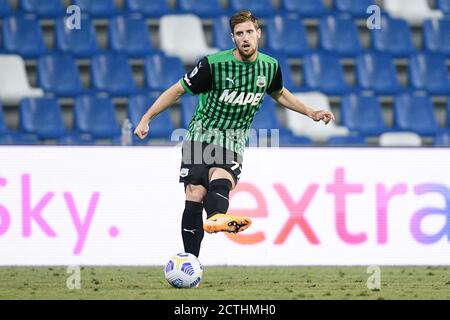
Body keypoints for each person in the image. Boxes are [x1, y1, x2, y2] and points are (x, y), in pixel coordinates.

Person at [134, 10, 335, 257]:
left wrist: (311, 112)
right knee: (194, 194)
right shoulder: (213, 65)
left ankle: (217, 217)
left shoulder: (270, 67)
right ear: (233, 38)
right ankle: (192, 260)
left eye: (249, 32)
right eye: (239, 34)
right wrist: (146, 118)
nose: (245, 38)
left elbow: (280, 93)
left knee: (222, 178)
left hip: (233, 138)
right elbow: (177, 91)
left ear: (258, 33)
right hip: (201, 134)